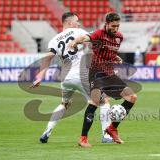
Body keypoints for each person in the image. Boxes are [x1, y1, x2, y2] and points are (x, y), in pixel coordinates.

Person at [32, 12, 113, 144]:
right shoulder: (77, 32)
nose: (79, 23)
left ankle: (46, 133)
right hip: (81, 75)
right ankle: (106, 136)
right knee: (104, 101)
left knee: (64, 104)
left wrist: (40, 76)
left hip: (66, 78)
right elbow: (93, 37)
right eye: (77, 21)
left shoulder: (54, 40)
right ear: (69, 23)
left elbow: (47, 58)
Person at [69, 12, 137, 147]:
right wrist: (75, 42)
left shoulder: (119, 37)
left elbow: (110, 51)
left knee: (132, 97)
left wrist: (115, 57)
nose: (116, 28)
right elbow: (85, 37)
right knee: (95, 101)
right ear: (107, 24)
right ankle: (83, 138)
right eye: (113, 26)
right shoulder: (99, 33)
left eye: (118, 26)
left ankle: (112, 128)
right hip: (96, 72)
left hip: (109, 73)